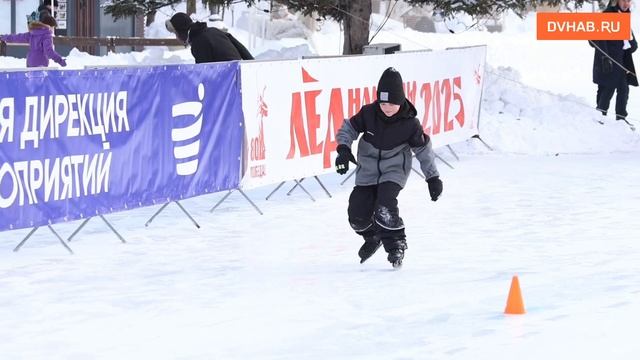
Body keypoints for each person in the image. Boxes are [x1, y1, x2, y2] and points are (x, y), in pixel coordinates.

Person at [335, 67, 443, 268]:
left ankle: (395, 245)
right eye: (383, 103)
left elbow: (423, 149)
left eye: (391, 103)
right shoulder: (368, 113)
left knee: (385, 205)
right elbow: (349, 128)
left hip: (394, 171)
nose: (386, 107)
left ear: (400, 100)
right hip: (367, 171)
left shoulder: (410, 124)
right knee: (356, 215)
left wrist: (432, 178)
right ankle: (373, 236)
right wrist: (343, 149)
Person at [590, 0, 637, 123]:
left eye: (629, 1)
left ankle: (621, 119)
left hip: (621, 63)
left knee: (624, 90)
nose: (627, 4)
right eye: (624, 0)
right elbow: (595, 40)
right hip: (608, 62)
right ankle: (600, 116)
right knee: (607, 89)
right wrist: (605, 58)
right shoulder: (607, 15)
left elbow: (633, 46)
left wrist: (629, 39)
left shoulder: (624, 18)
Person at [165, 12, 254, 64]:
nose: (176, 37)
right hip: (238, 72)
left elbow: (205, 73)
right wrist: (252, 64)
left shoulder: (198, 43)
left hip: (229, 81)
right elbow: (241, 49)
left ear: (182, 32)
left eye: (175, 33)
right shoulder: (214, 31)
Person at [0, 15, 66, 68]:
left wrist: (3, 37)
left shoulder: (32, 33)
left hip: (30, 62)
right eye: (53, 27)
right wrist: (60, 60)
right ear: (49, 26)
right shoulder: (47, 35)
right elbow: (49, 51)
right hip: (41, 63)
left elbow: (17, 37)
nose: (53, 29)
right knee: (39, 84)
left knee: (31, 83)